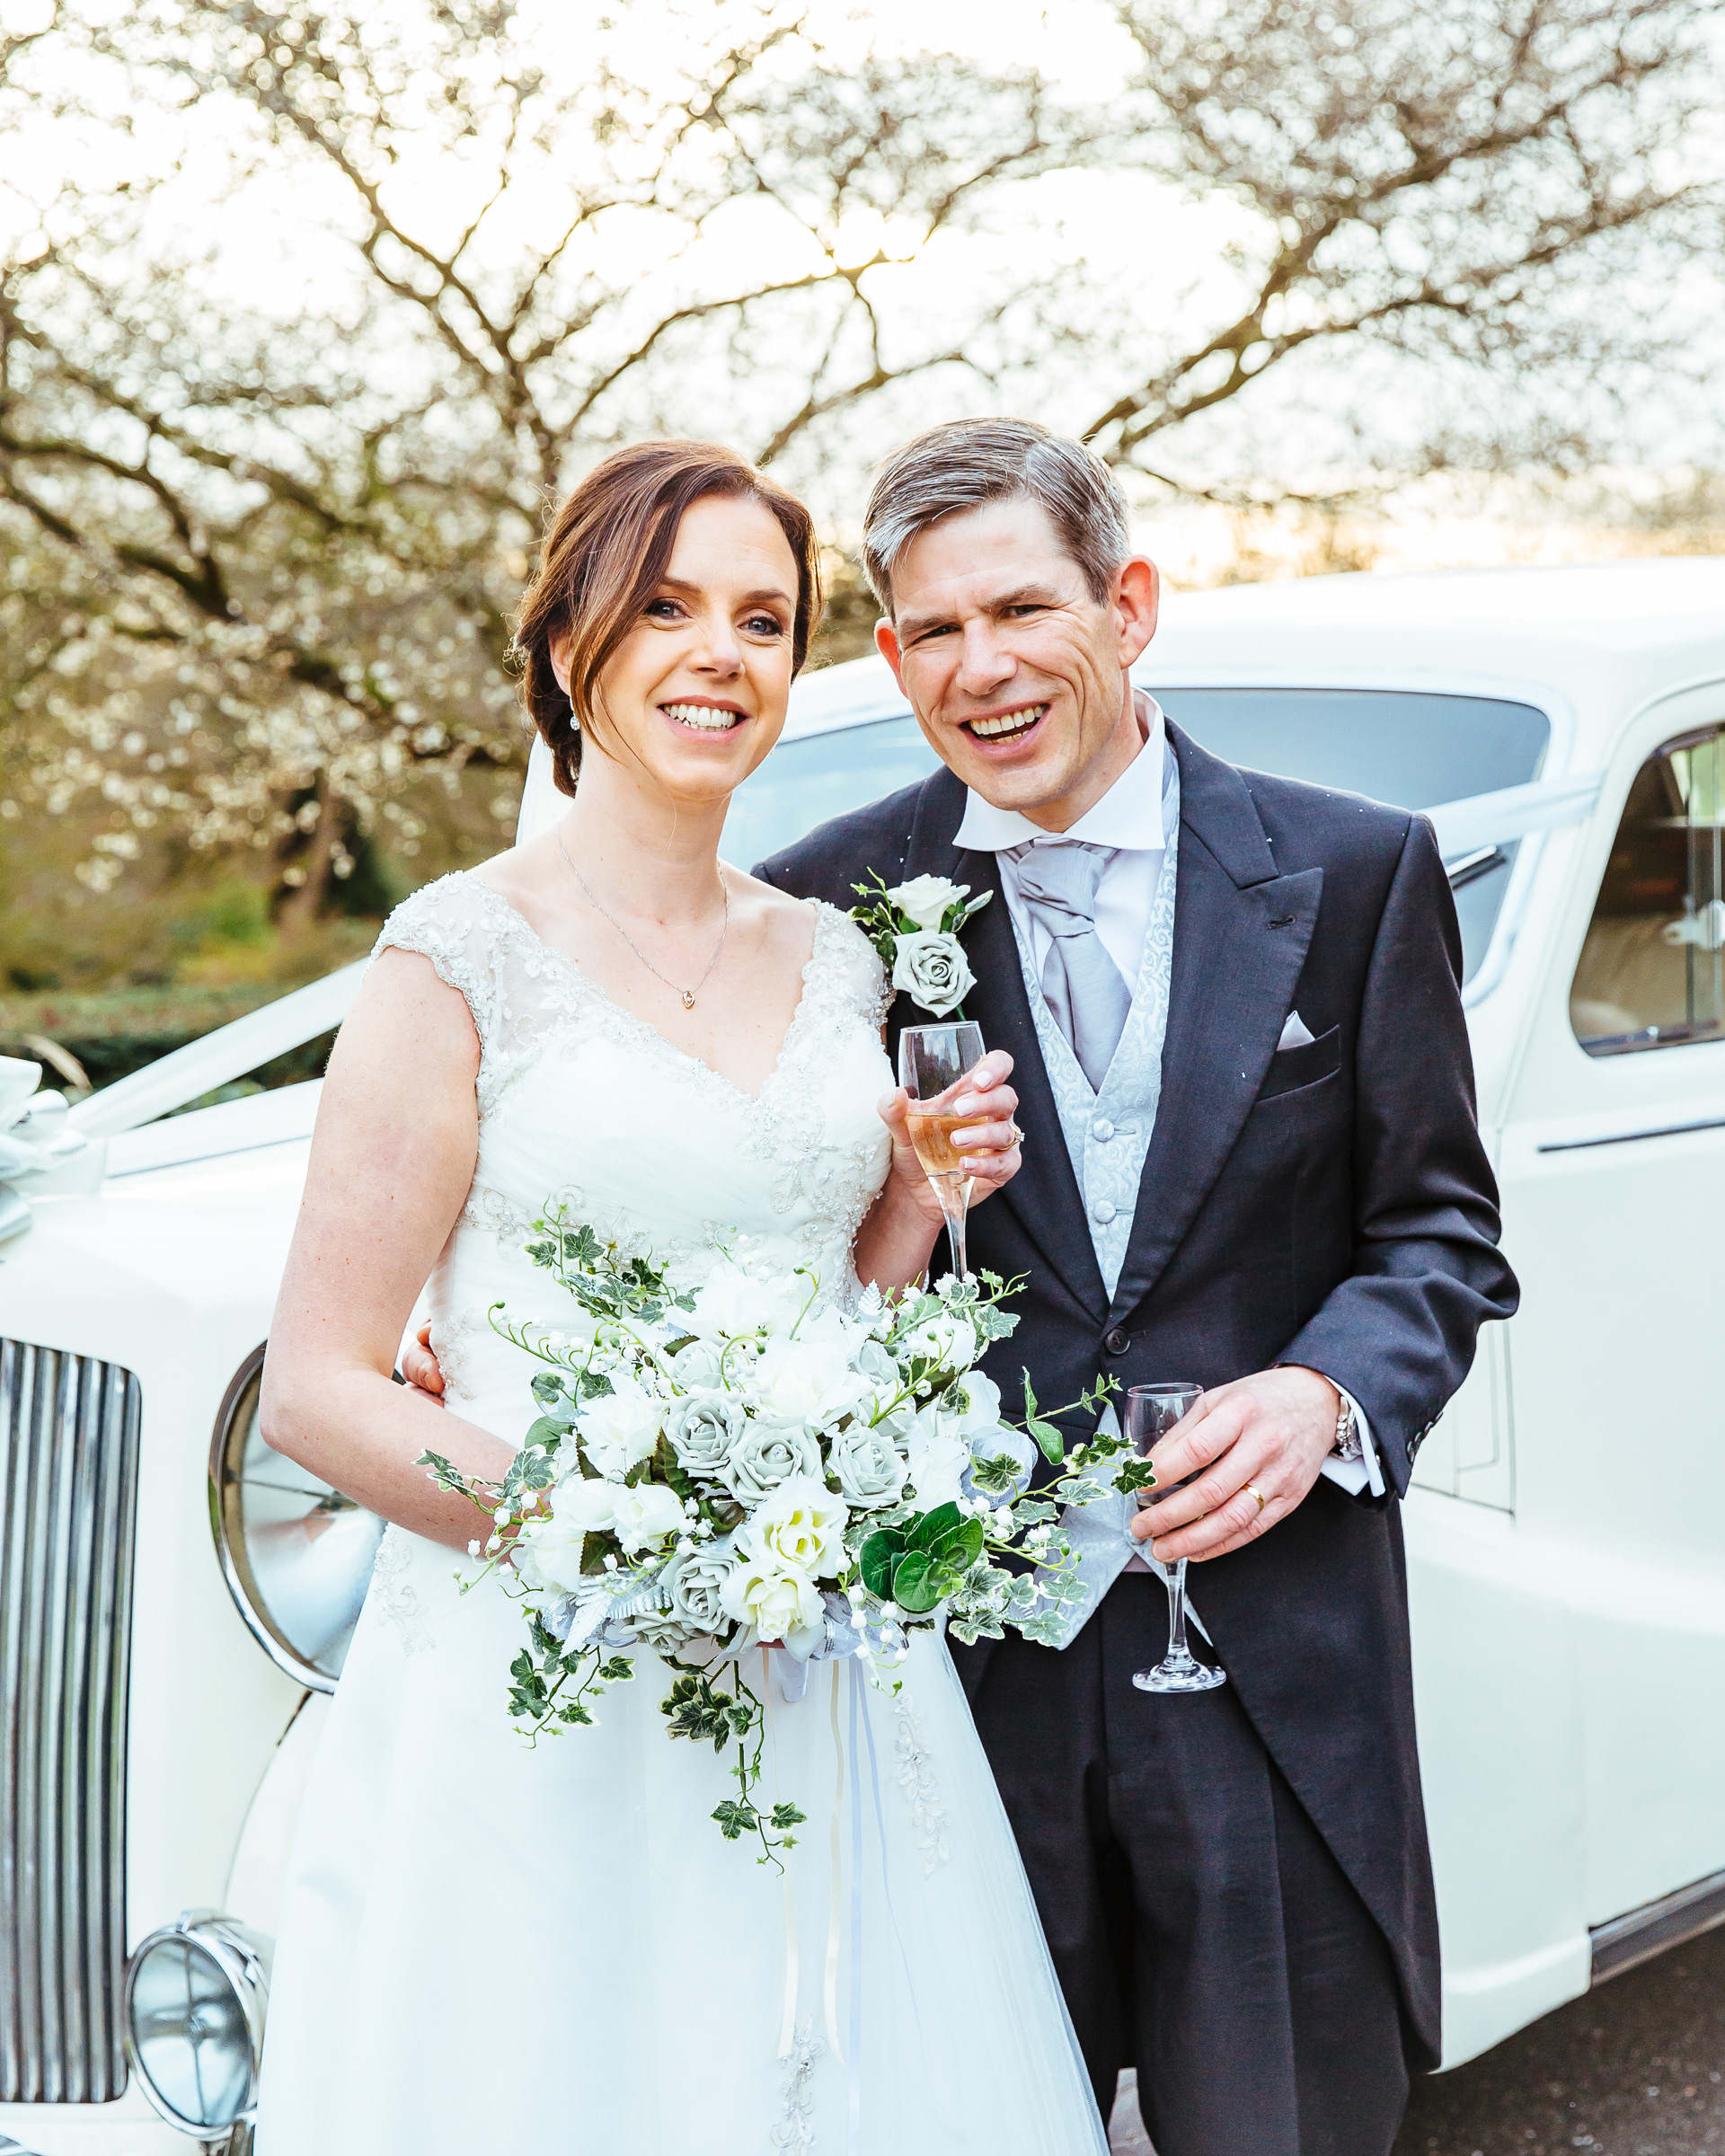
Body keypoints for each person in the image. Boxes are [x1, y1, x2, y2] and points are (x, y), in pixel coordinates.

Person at [253, 439, 1109, 2156]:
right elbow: (320, 1390)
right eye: (666, 607)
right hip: (541, 1680)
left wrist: (914, 1204)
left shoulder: (835, 953)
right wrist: (620, 1541)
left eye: (765, 620)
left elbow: (833, 1305)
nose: (720, 653)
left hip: (822, 1664)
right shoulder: (451, 960)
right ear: (576, 639)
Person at [749, 420, 1520, 2156]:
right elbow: (758, 1243)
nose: (984, 668)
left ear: (1132, 605)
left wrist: (1324, 1394)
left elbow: (1441, 1235)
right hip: (952, 1680)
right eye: (933, 632)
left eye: (1023, 609)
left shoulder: (1354, 872)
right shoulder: (828, 909)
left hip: (1268, 1680)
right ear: (889, 657)